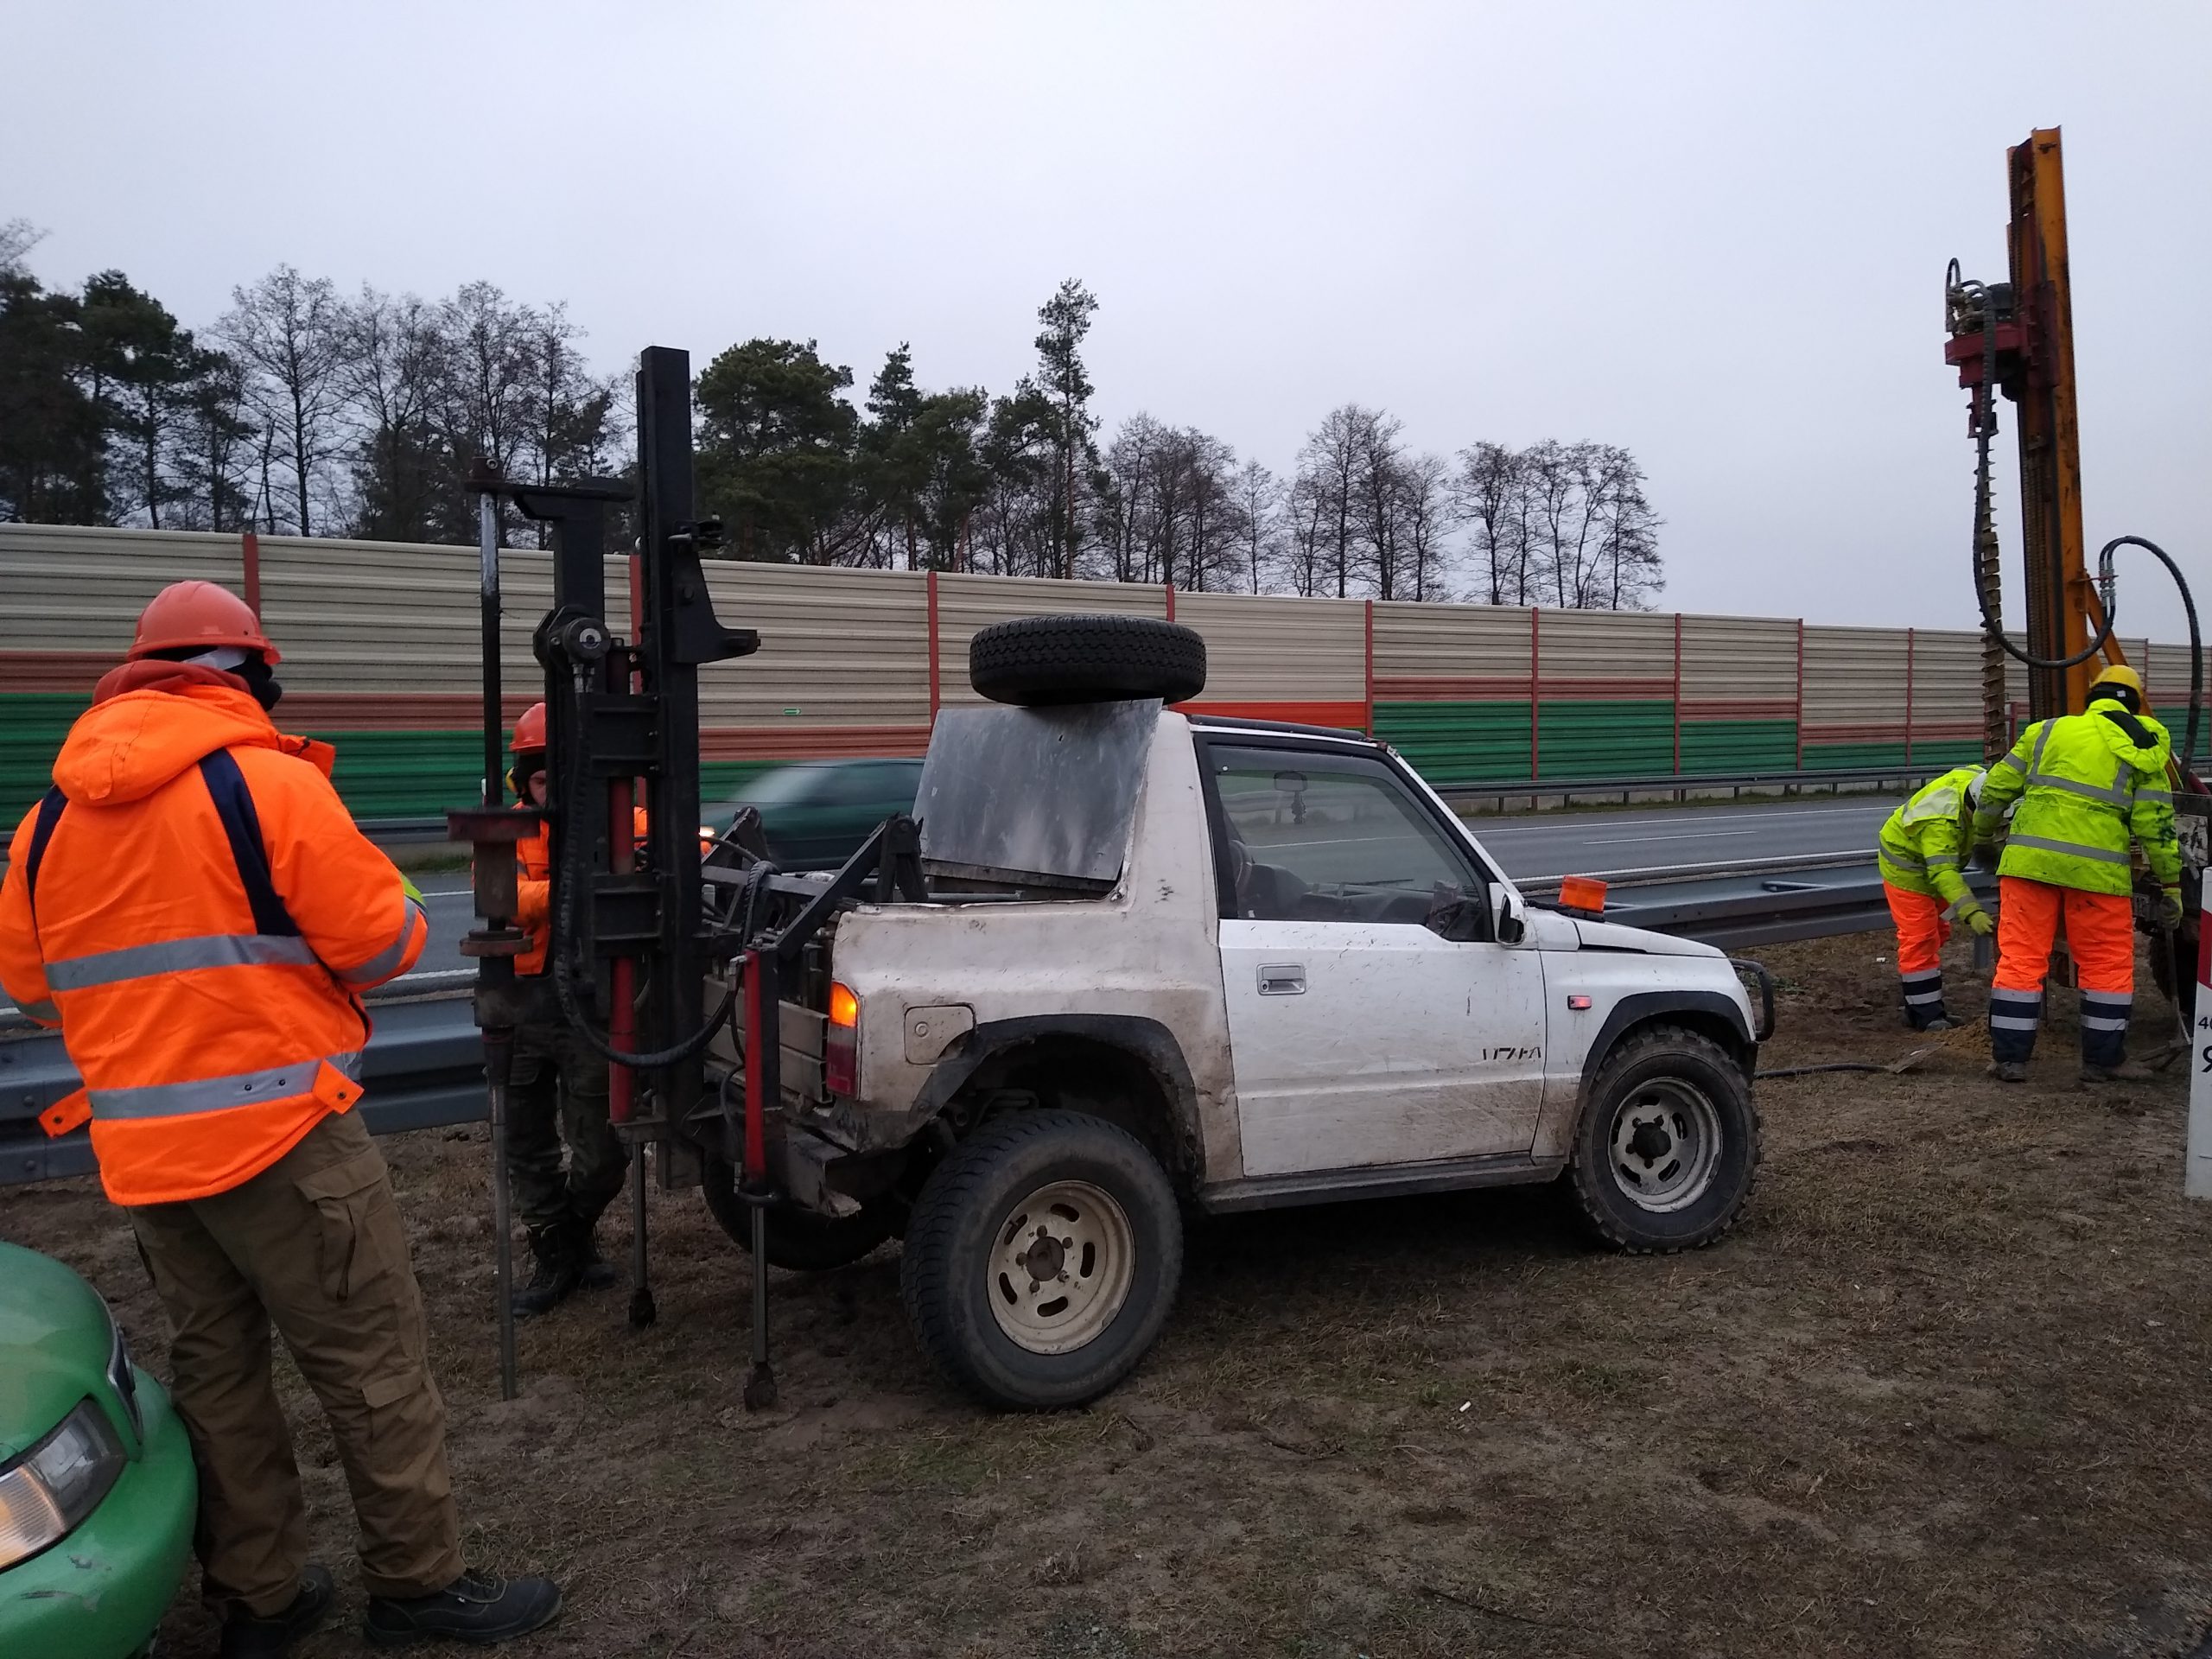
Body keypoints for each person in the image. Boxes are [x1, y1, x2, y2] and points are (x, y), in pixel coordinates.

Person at [0, 582, 560, 1656]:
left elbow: (34, 988)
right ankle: (417, 1585)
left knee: (217, 1380)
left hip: (144, 1157)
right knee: (371, 1366)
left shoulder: (50, 819)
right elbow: (384, 943)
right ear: (249, 672)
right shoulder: (266, 783)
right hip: (286, 1143)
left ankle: (259, 1601)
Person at [1972, 662, 2183, 1084]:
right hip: (2097, 875)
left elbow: (1995, 787)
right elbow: (2156, 824)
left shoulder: (2048, 731)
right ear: (2136, 703)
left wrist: (1982, 834)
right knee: (2105, 966)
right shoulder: (2143, 743)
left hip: (2028, 867)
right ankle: (2103, 1061)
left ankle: (2010, 1060)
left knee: (2020, 960)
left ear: (2091, 699)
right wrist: (2172, 883)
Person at [503, 702, 629, 1316]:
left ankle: (571, 1235)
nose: (549, 791)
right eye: (539, 779)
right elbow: (503, 898)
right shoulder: (507, 829)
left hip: (589, 1005)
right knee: (527, 1143)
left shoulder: (616, 823)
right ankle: (555, 1252)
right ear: (523, 780)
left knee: (604, 1149)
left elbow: (678, 847)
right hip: (521, 1004)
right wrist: (574, 888)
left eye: (560, 778)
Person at [1875, 766, 1994, 1030]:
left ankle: (1916, 1002)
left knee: (1939, 931)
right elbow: (1943, 873)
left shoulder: (1978, 785)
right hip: (1906, 870)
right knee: (1920, 938)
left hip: (1933, 865)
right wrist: (1972, 912)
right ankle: (1926, 1015)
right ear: (1973, 810)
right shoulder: (1940, 824)